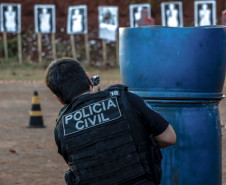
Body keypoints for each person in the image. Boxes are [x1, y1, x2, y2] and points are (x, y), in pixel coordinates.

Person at [45, 58, 176, 185]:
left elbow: (87, 161)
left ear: (59, 99)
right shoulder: (125, 99)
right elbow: (169, 137)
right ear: (89, 78)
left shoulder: (61, 127)